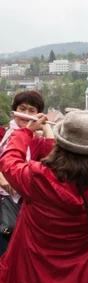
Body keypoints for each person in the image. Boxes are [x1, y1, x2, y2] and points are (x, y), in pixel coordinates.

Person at [0, 110, 88, 283]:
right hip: (79, 279)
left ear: (61, 147)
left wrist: (25, 132)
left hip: (30, 276)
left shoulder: (37, 180)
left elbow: (9, 160)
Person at [0, 90, 55, 254]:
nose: (25, 114)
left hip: (23, 203)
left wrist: (46, 128)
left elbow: (52, 160)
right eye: (22, 109)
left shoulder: (36, 141)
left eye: (32, 110)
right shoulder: (3, 134)